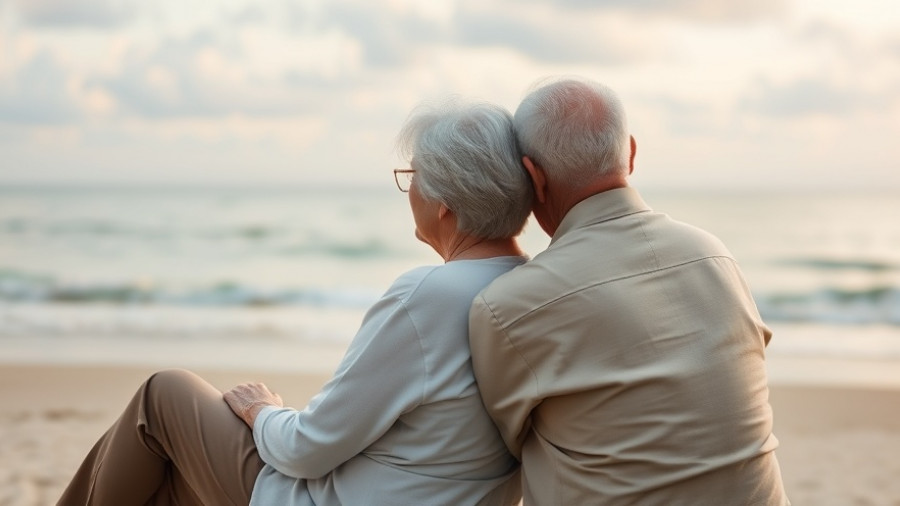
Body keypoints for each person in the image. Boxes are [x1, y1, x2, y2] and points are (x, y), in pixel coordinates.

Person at [58, 100, 533, 506]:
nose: (409, 190)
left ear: (445, 201)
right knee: (172, 484)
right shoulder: (531, 288)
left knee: (162, 395)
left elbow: (306, 449)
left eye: (413, 175)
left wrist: (262, 411)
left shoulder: (431, 296)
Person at [468, 78, 790, 505]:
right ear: (631, 154)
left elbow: (500, 446)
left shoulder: (511, 304)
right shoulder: (715, 256)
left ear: (533, 178)